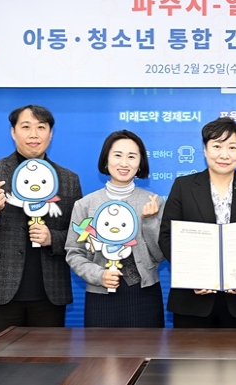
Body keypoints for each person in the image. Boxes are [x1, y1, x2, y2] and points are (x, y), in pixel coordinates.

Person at [0, 105, 82, 340]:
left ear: (51, 134)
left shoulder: (68, 179)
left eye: (41, 127)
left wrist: (52, 238)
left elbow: (79, 236)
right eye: (26, 127)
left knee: (47, 363)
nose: (34, 134)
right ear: (13, 132)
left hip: (49, 294)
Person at [158, 117, 236, 328]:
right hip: (191, 299)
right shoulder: (184, 186)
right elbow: (167, 236)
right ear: (205, 149)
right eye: (217, 146)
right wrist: (191, 275)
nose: (224, 154)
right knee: (189, 351)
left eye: (232, 147)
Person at [65, 130, 165, 327]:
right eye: (117, 155)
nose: (124, 163)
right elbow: (74, 253)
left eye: (132, 156)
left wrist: (149, 222)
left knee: (148, 347)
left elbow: (160, 255)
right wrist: (98, 275)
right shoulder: (86, 205)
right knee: (101, 348)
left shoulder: (153, 202)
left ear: (140, 163)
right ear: (106, 160)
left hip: (145, 294)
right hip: (100, 294)